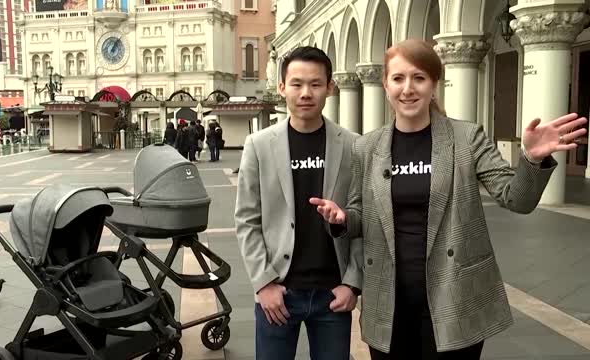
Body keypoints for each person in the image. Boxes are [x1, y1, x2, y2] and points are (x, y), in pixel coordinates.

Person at [310, 38, 588, 360]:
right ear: (386, 85)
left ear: (434, 85)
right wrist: (343, 219)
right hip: (389, 300)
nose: (408, 88)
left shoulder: (466, 138)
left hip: (453, 297)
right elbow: (360, 213)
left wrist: (531, 159)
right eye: (398, 78)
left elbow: (517, 199)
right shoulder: (367, 148)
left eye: (419, 78)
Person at [235, 46, 363, 360]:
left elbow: (363, 217)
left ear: (330, 87)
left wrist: (353, 283)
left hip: (332, 294)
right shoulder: (259, 145)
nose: (306, 93)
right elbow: (247, 220)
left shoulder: (352, 145)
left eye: (316, 84)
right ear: (282, 87)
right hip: (278, 293)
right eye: (296, 84)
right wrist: (263, 283)